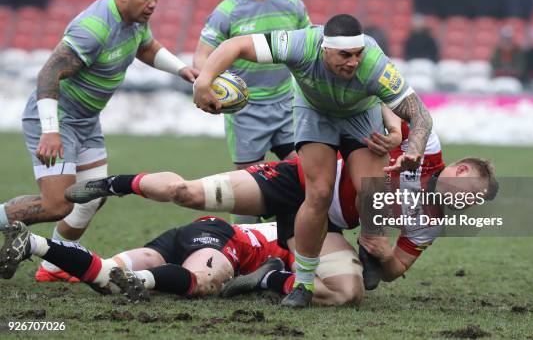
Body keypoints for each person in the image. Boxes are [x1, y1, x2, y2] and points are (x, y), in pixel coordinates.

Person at [64, 119, 497, 306]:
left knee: (348, 294)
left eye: (470, 202)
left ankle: (270, 277)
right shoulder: (426, 149)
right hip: (299, 180)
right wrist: (385, 135)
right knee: (187, 193)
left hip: (323, 223)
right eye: (466, 190)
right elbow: (390, 109)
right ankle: (112, 184)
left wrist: (382, 253)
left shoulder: (434, 220)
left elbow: (396, 268)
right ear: (458, 169)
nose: (463, 201)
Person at [192, 13, 434, 307]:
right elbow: (236, 45)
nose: (353, 62)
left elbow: (420, 114)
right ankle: (303, 284)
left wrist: (414, 149)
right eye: (345, 55)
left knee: (373, 192)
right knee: (318, 194)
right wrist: (204, 81)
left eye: (357, 54)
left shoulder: (375, 64)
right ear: (324, 49)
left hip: (360, 114)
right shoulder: (301, 44)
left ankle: (369, 245)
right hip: (314, 112)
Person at [0, 0, 200, 283]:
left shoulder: (135, 20)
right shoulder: (95, 27)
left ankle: (53, 265)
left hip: (86, 121)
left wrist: (181, 70)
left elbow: (146, 47)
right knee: (57, 205)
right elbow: (49, 73)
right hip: (56, 119)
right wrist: (51, 131)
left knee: (92, 196)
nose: (153, 4)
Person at [194, 0, 310, 224]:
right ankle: (245, 256)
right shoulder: (227, 11)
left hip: (287, 105)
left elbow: (308, 49)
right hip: (246, 111)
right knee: (248, 191)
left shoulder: (292, 5)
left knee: (306, 177)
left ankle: (292, 246)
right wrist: (210, 86)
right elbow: (201, 58)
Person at [0, 217, 292, 302]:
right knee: (204, 283)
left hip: (190, 234)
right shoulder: (318, 244)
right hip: (221, 239)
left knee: (108, 278)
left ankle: (35, 244)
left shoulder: (299, 224)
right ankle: (139, 280)